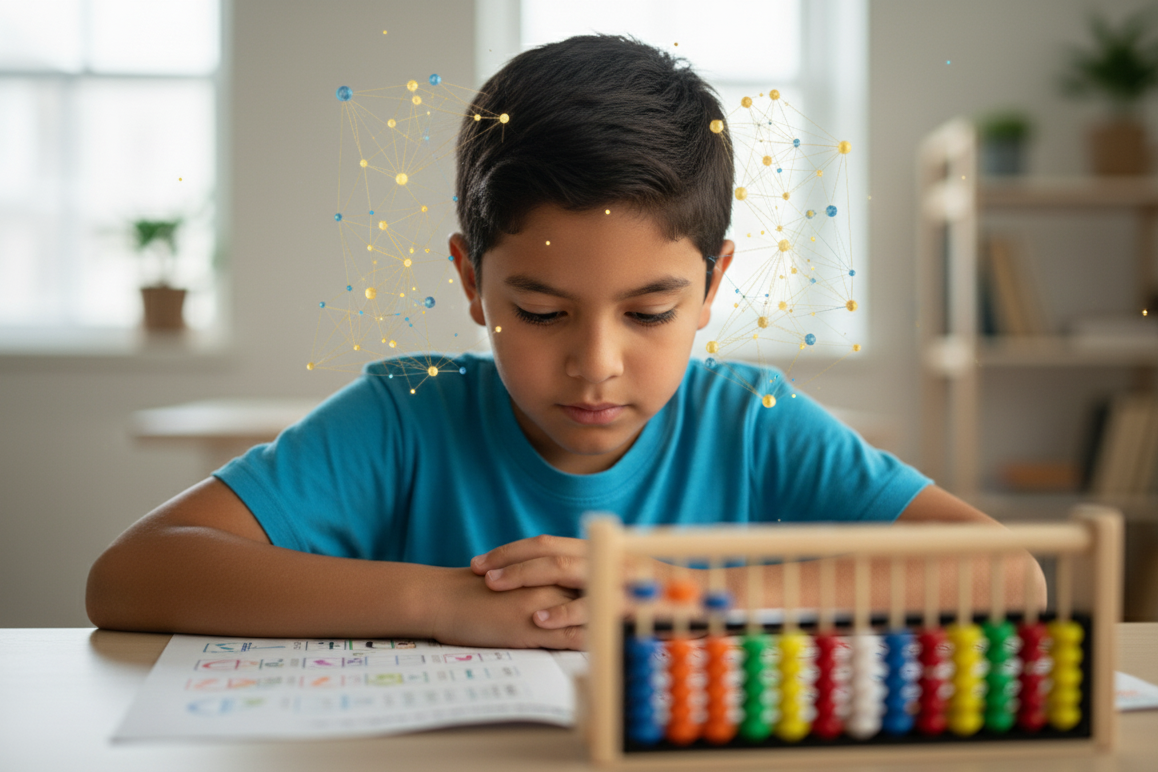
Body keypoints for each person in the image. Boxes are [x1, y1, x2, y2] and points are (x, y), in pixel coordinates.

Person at [86, 35, 1041, 649]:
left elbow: (1010, 575)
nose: (596, 363)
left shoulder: (749, 422)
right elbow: (131, 574)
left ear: (711, 287)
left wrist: (686, 599)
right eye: (542, 313)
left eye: (650, 312)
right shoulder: (407, 417)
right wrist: (443, 605)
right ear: (472, 281)